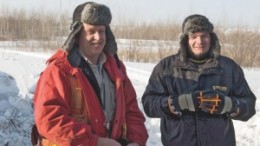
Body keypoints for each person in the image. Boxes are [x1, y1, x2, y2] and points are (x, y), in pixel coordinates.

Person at [33, 2, 148, 146]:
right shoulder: (59, 70)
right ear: (77, 33)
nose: (98, 37)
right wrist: (95, 142)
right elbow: (50, 120)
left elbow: (132, 113)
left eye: (102, 31)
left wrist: (136, 141)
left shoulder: (116, 68)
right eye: (91, 31)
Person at [142, 14, 256, 146]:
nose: (200, 41)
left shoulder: (229, 68)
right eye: (193, 36)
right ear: (185, 39)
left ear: (211, 38)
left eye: (204, 36)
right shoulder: (166, 67)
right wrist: (175, 104)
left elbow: (249, 105)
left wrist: (230, 105)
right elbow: (148, 104)